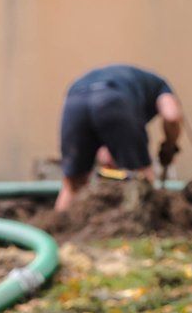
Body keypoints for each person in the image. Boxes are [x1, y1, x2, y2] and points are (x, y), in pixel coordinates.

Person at [55, 64, 183, 211]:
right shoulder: (161, 86)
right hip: (114, 98)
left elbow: (105, 143)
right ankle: (149, 231)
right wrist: (169, 146)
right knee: (142, 178)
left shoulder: (127, 78)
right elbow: (172, 117)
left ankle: (56, 230)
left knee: (72, 184)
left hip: (74, 99)